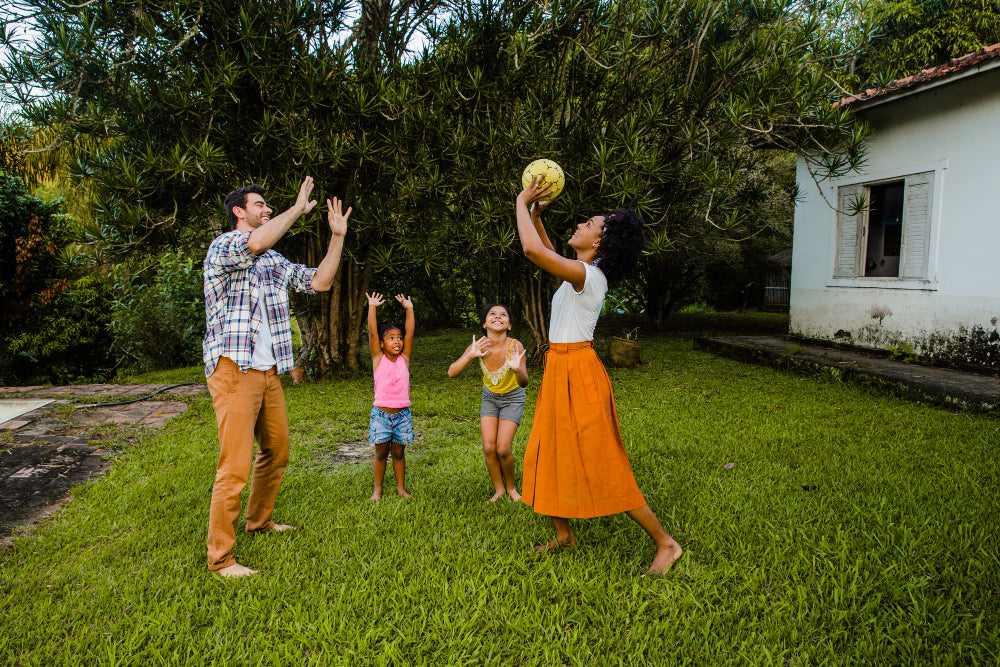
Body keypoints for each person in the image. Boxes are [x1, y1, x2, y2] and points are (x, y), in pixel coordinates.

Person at [514, 176, 683, 575]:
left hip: (579, 372)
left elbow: (533, 250)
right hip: (559, 368)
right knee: (546, 451)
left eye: (589, 224)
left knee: (603, 461)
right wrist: (538, 214)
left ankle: (666, 543)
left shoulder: (591, 278)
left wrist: (521, 202)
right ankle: (564, 535)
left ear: (601, 243)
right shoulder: (580, 273)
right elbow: (550, 250)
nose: (580, 224)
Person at [203, 176, 350, 578]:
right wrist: (296, 208)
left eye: (268, 206)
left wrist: (336, 237)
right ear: (239, 211)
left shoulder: (271, 261)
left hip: (268, 371)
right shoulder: (225, 247)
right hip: (234, 367)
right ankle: (221, 558)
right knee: (234, 466)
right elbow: (255, 242)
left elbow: (318, 282)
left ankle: (258, 520)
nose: (266, 210)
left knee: (277, 451)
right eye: (260, 205)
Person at [447, 304, 529, 502]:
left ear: (509, 325)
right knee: (489, 447)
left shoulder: (515, 346)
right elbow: (452, 372)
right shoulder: (478, 345)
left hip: (513, 398)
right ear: (485, 323)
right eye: (492, 314)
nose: (498, 316)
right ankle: (499, 489)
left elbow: (524, 382)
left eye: (503, 314)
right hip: (490, 398)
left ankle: (511, 488)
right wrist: (471, 355)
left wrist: (517, 369)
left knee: (502, 448)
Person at [366, 292, 416, 501]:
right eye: (391, 338)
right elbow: (371, 333)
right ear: (381, 343)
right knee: (380, 454)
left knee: (398, 453)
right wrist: (372, 307)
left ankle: (400, 487)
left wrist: (409, 309)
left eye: (399, 338)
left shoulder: (404, 358)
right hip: (381, 416)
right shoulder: (378, 359)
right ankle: (377, 490)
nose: (397, 342)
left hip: (402, 416)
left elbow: (411, 333)